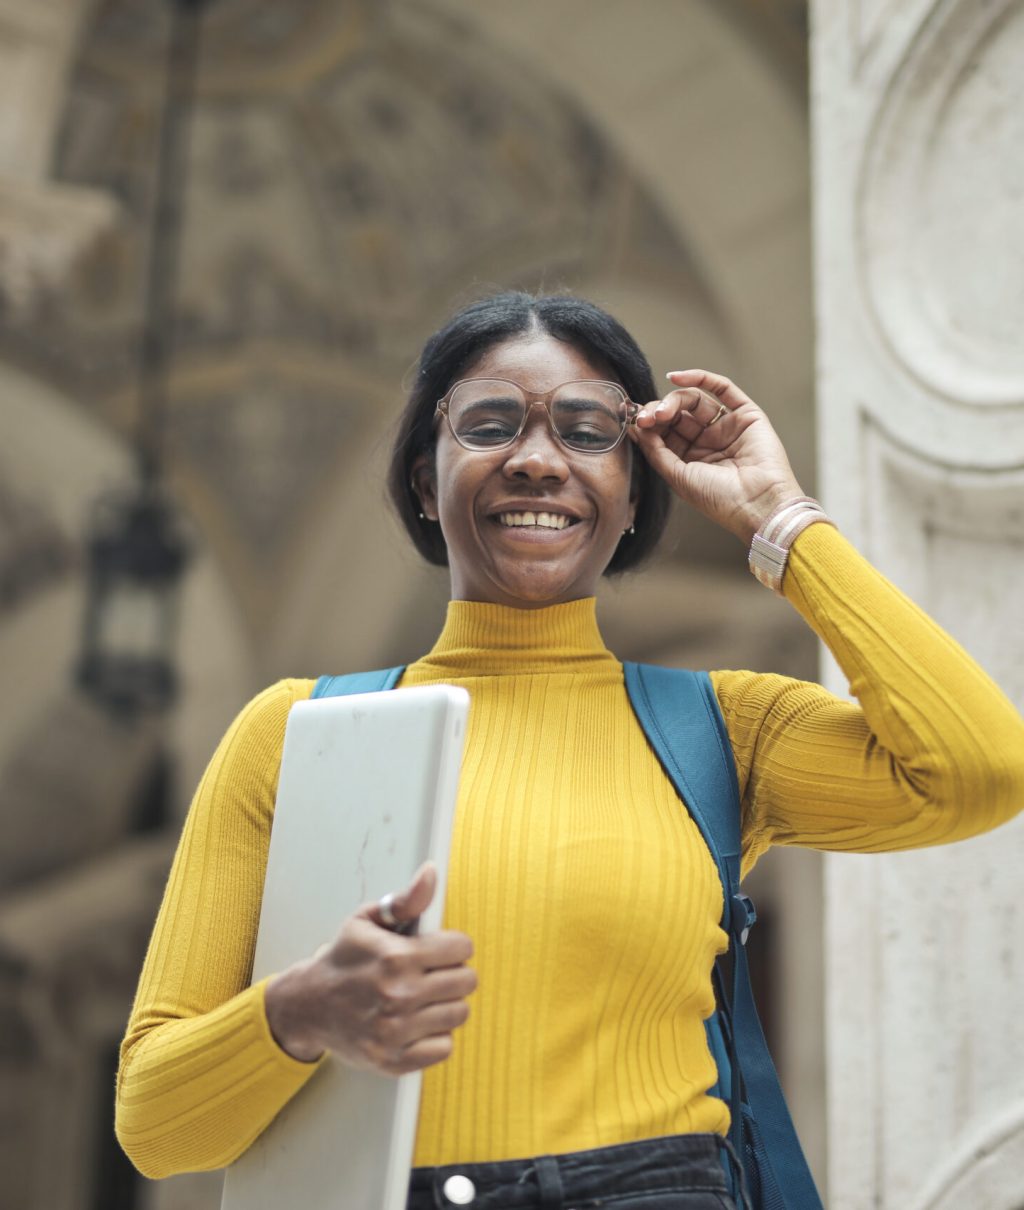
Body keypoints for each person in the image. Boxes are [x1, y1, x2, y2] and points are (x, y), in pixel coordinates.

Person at [116, 292, 1024, 1208]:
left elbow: (981, 770)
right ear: (427, 482)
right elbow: (155, 1125)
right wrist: (299, 1013)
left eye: (590, 430)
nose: (539, 460)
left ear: (634, 493)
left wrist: (780, 523)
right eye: (489, 423)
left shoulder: (723, 730)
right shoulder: (292, 737)